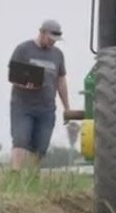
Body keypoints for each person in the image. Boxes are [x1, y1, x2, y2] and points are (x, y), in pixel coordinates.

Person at [8, 19, 71, 171]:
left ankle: (32, 177)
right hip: (23, 106)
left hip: (46, 108)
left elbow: (61, 81)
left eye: (55, 41)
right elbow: (12, 75)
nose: (52, 43)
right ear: (42, 33)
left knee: (41, 146)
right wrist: (25, 83)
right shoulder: (23, 49)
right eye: (50, 40)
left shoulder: (58, 55)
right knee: (21, 140)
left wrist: (67, 107)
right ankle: (15, 175)